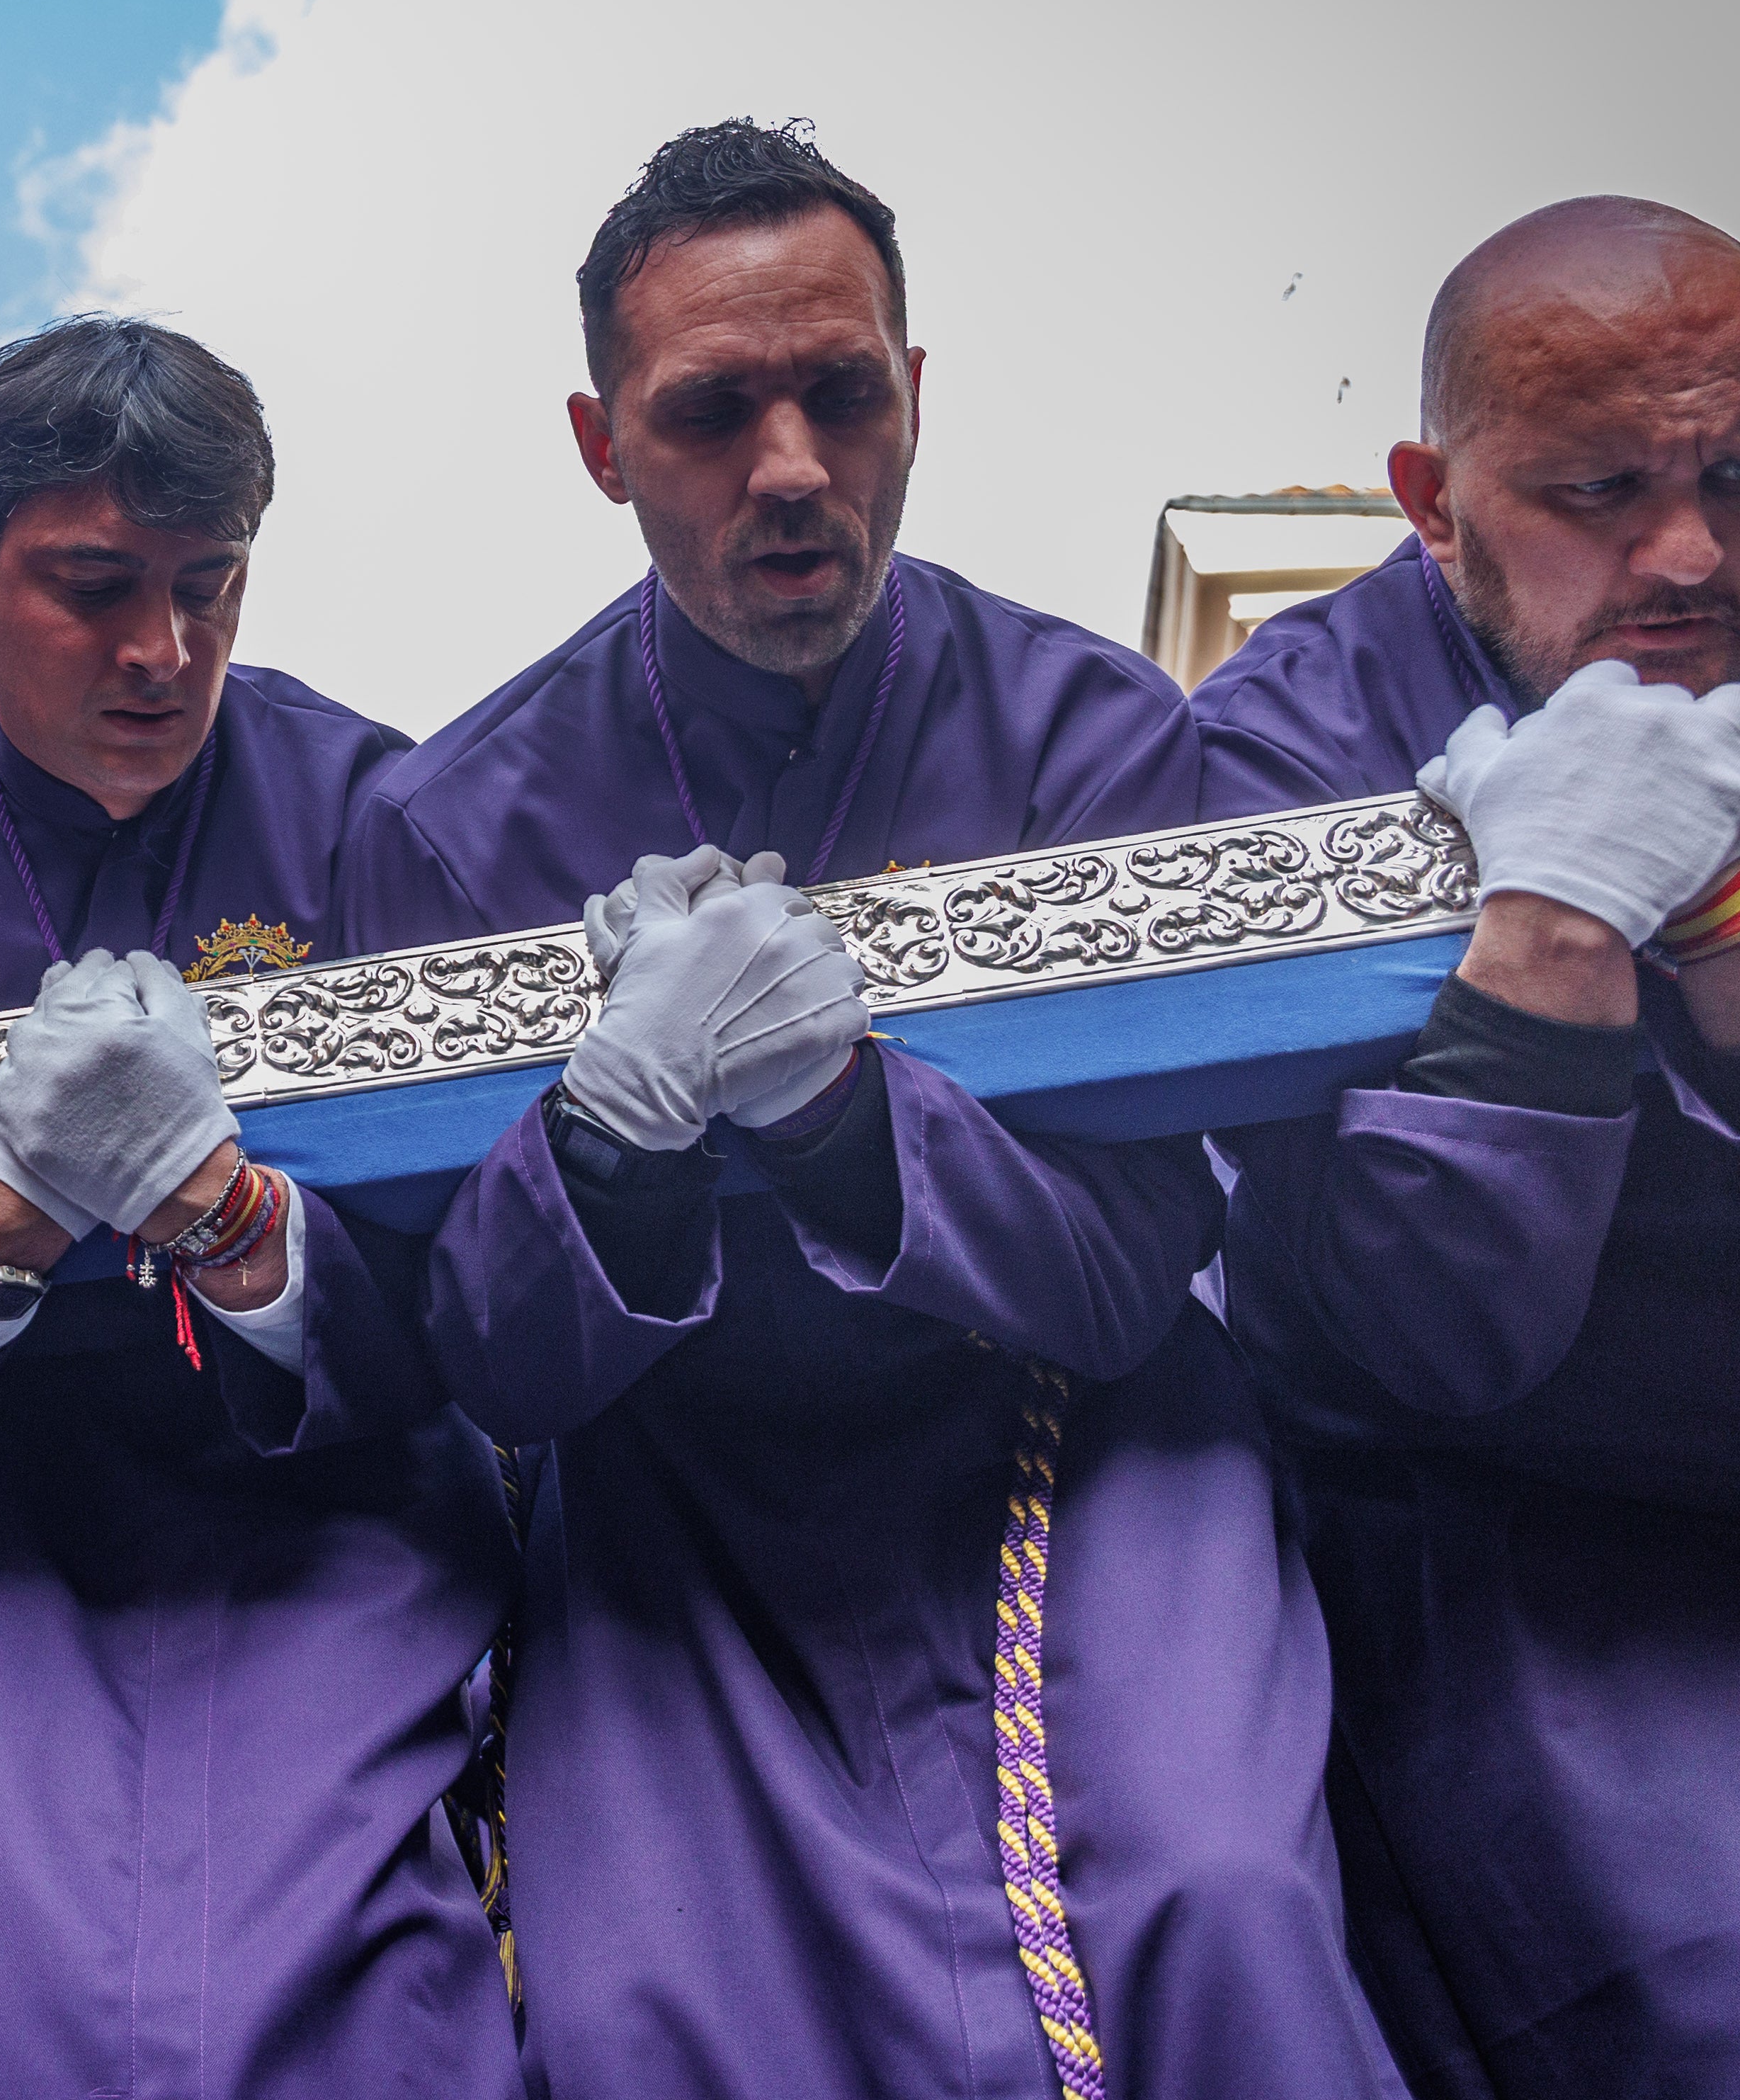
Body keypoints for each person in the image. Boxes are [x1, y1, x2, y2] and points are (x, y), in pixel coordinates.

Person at [339, 120, 1406, 2100]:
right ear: (600, 443)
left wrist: (843, 1115)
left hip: (1071, 1452)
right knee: (650, 2004)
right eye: (711, 414)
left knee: (1213, 1903)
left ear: (915, 390)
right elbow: (478, 1356)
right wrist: (616, 1144)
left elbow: (1133, 1264)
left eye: (842, 395)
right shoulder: (450, 827)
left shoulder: (1097, 735)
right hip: (682, 1504)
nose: (793, 472)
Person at [0, 317, 518, 2098]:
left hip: (331, 1508)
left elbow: (481, 1287)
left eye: (208, 586)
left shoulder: (382, 812)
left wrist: (229, 1218)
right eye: (95, 588)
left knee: (348, 2005)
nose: (165, 653)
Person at [1197, 198, 1740, 2097]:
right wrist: (1554, 945)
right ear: (1429, 498)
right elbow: (1418, 1335)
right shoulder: (1276, 748)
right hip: (1555, 1545)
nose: (1686, 551)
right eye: (1597, 490)